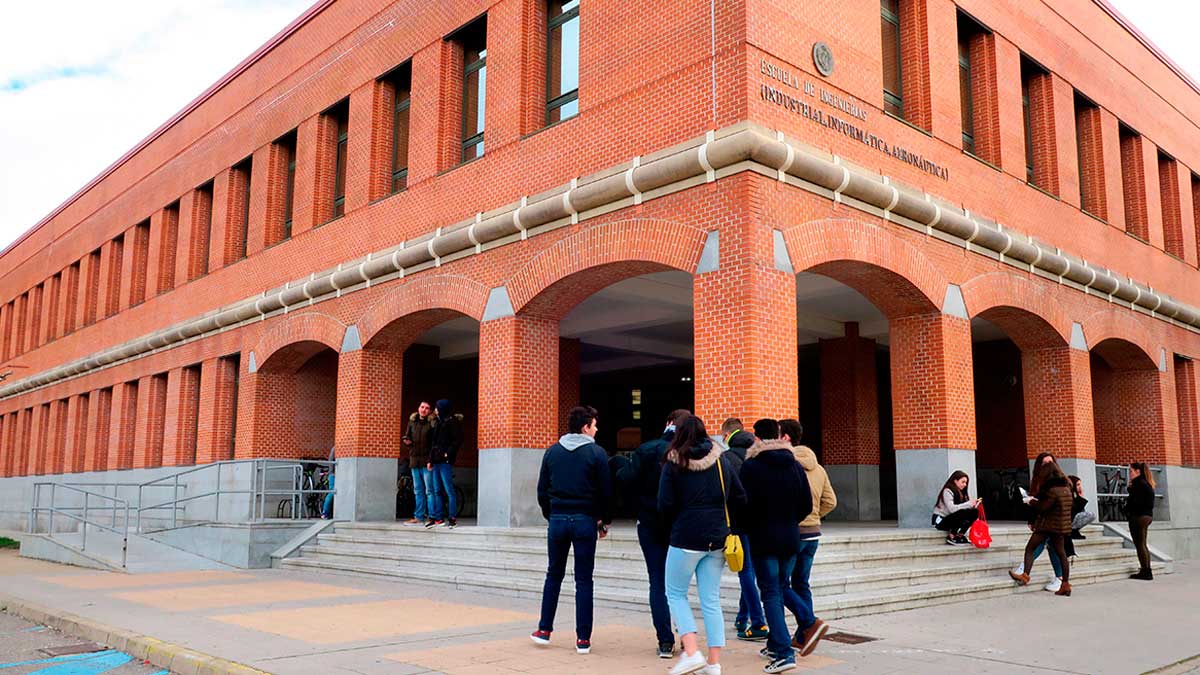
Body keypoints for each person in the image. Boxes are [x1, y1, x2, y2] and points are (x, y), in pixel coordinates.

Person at [658, 415, 746, 675]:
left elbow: (664, 505)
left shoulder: (673, 462)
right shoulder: (722, 461)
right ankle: (714, 663)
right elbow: (739, 496)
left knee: (675, 593)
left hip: (685, 537)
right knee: (710, 599)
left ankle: (691, 651)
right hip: (718, 537)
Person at [531, 406, 613, 655]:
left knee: (553, 575)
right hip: (585, 520)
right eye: (595, 425)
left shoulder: (552, 452)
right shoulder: (597, 454)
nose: (597, 429)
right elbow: (605, 491)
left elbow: (542, 490)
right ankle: (583, 639)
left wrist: (551, 514)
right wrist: (603, 520)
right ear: (585, 427)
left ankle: (544, 630)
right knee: (584, 580)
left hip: (557, 519)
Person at [615, 408, 691, 659]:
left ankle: (665, 642)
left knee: (657, 582)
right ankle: (686, 638)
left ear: (668, 423)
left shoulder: (647, 449)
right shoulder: (691, 452)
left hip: (649, 522)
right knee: (679, 586)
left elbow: (626, 479)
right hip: (679, 525)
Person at [740, 418, 813, 674]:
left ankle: (784, 651)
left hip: (764, 539)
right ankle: (790, 633)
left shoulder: (751, 467)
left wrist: (748, 527)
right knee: (781, 587)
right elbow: (807, 504)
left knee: (770, 592)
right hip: (791, 537)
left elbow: (742, 504)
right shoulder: (794, 465)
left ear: (757, 438)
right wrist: (789, 520)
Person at [780, 418, 835, 657]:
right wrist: (814, 517)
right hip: (813, 534)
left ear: (785, 438)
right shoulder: (818, 467)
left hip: (794, 532)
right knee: (802, 583)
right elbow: (830, 501)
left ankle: (809, 622)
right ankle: (805, 635)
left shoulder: (787, 464)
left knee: (780, 584)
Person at [720, 418, 768, 642]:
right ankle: (742, 617)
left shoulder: (726, 458)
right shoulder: (758, 453)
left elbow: (726, 493)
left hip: (739, 522)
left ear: (727, 434)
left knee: (745, 571)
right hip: (761, 522)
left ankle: (758, 621)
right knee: (750, 571)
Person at [1009, 460, 1073, 596]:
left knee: (1030, 548)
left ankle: (1025, 575)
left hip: (1047, 525)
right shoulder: (1066, 488)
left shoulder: (1052, 490)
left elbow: (1043, 507)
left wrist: (1030, 501)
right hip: (1061, 526)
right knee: (1062, 554)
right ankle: (1065, 584)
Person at [426, 399, 463, 529]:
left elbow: (457, 440)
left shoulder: (453, 422)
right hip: (436, 461)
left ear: (443, 408)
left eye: (437, 408)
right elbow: (433, 444)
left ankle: (452, 518)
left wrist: (448, 454)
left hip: (446, 462)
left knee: (449, 490)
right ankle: (438, 518)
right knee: (436, 490)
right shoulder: (438, 423)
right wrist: (430, 460)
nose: (435, 410)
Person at [402, 401, 434, 525]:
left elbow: (433, 444)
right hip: (414, 461)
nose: (424, 410)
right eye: (422, 407)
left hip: (427, 462)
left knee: (429, 490)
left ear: (430, 411)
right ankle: (419, 516)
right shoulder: (412, 423)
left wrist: (431, 460)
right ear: (418, 408)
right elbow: (407, 436)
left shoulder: (431, 424)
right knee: (418, 490)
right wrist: (407, 442)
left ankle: (432, 517)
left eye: (427, 408)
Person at [931, 471, 980, 545]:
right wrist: (968, 504)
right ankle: (952, 536)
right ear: (955, 481)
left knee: (974, 512)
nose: (965, 485)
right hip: (940, 521)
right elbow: (952, 509)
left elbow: (963, 508)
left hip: (952, 519)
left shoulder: (962, 493)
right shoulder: (947, 491)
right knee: (962, 512)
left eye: (966, 483)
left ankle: (960, 535)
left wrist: (974, 505)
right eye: (963, 482)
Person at [1127, 462, 1156, 581]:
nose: (1130, 474)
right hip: (1147, 516)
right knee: (1143, 544)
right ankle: (1146, 569)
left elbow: (1134, 502)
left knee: (1140, 545)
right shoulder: (1147, 483)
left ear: (1138, 471)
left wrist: (1127, 511)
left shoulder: (1138, 484)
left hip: (1138, 516)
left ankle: (1146, 571)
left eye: (1131, 471)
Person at [1068, 475, 1095, 540]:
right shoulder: (1069, 494)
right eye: (1077, 485)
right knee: (1090, 515)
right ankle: (1073, 530)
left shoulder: (1075, 494)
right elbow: (1075, 509)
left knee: (1088, 514)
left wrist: (1080, 497)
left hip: (1072, 518)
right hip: (1068, 519)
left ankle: (1074, 531)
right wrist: (1081, 498)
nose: (1080, 487)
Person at [321, 446, 336, 519]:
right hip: (333, 474)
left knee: (332, 492)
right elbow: (332, 462)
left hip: (332, 474)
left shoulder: (334, 448)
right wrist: (333, 472)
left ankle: (326, 512)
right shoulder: (336, 448)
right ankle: (325, 512)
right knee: (332, 492)